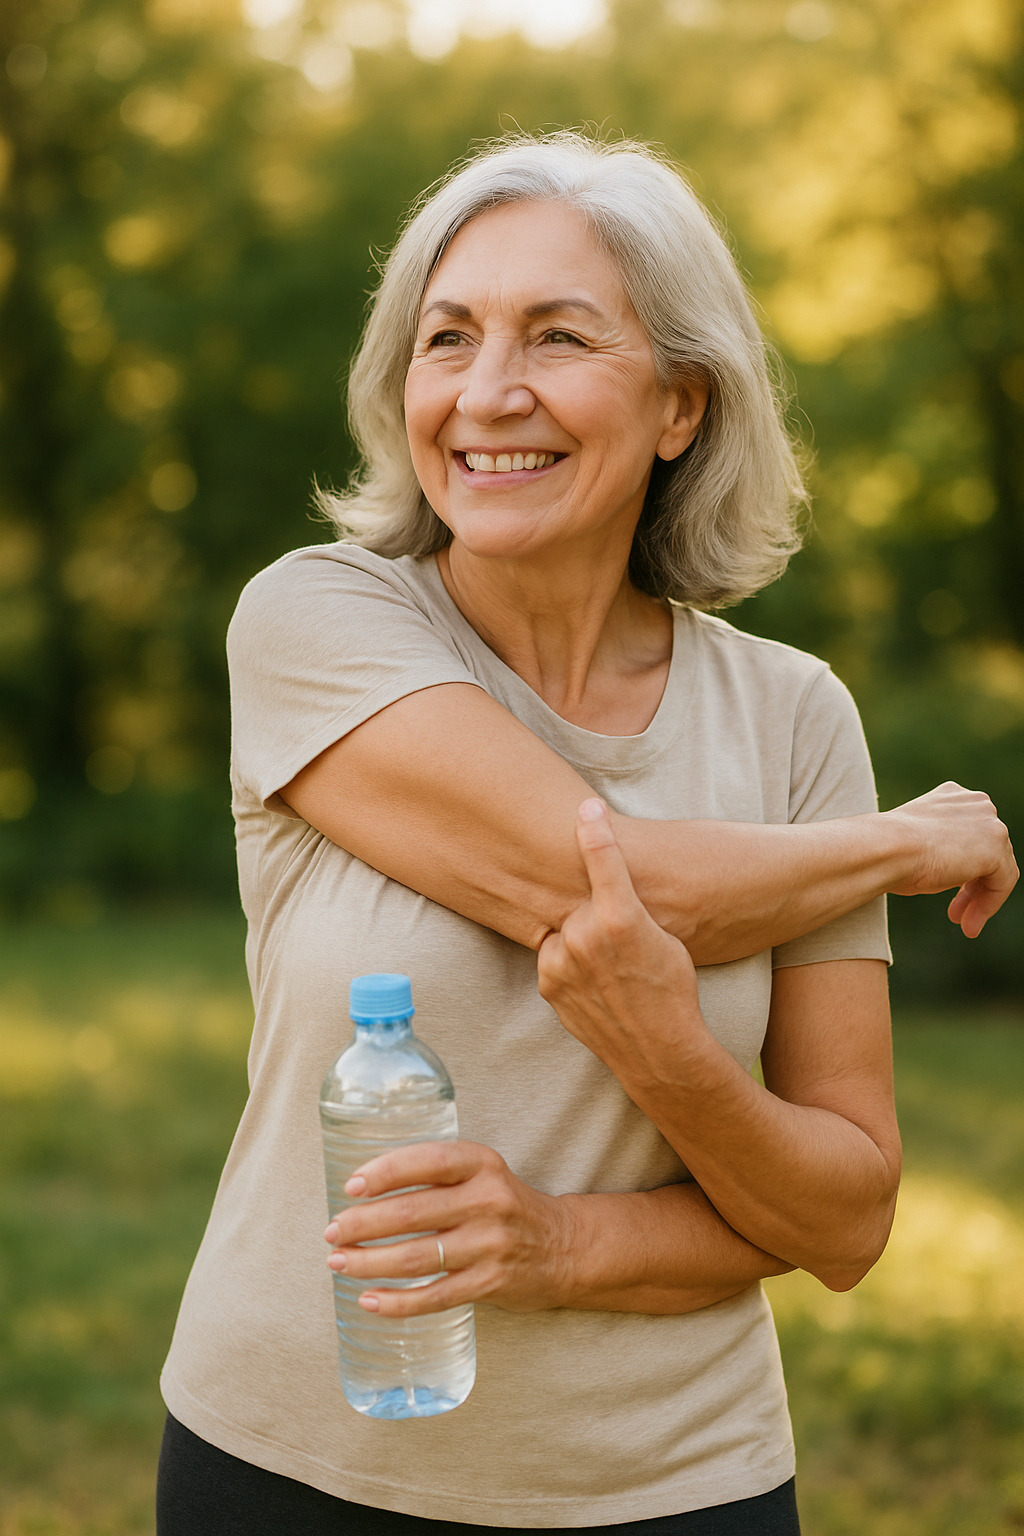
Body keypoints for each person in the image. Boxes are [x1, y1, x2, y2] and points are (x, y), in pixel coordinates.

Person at [156, 133, 1017, 1535]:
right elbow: (610, 878)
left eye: (558, 337)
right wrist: (899, 847)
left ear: (682, 403)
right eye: (448, 339)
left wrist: (569, 1220)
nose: (489, 393)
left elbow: (844, 1218)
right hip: (293, 1470)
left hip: (680, 1485)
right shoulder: (319, 623)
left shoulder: (794, 719)